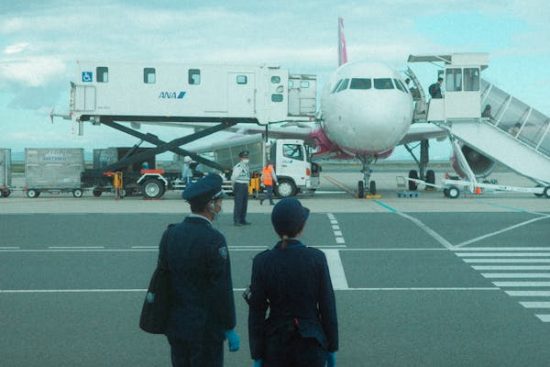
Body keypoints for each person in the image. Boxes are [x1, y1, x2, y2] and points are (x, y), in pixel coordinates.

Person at [247, 198, 339, 367]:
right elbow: (327, 305)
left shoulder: (262, 261)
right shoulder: (316, 258)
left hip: (275, 344)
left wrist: (257, 352)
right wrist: (332, 346)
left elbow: (257, 311)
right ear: (301, 227)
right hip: (311, 342)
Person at [165, 173, 240, 367]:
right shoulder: (214, 239)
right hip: (205, 329)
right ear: (210, 204)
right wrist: (229, 325)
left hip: (177, 325)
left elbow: (164, 278)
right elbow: (221, 288)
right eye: (219, 201)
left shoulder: (170, 234)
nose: (220, 206)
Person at [231, 150, 251, 226]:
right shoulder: (238, 166)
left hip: (245, 186)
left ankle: (243, 219)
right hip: (239, 185)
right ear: (240, 158)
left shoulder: (246, 167)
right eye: (244, 157)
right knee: (238, 204)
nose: (246, 158)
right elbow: (233, 177)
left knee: (244, 204)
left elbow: (247, 177)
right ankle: (236, 220)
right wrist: (233, 187)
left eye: (247, 157)